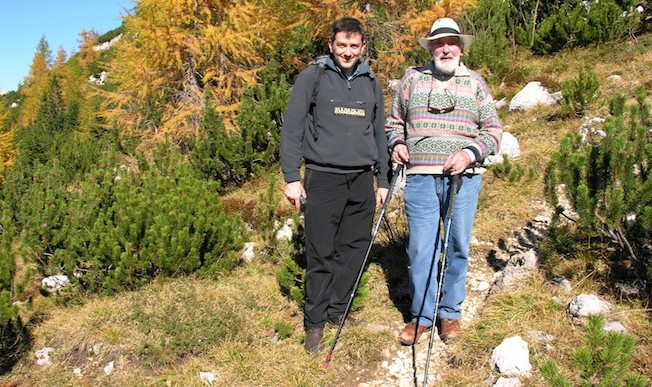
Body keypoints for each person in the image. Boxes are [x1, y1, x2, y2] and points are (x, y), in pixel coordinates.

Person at [385, 17, 502, 345]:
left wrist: (469, 152)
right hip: (421, 178)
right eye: (439, 43)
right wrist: (397, 144)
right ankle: (421, 316)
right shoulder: (412, 79)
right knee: (421, 248)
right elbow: (394, 123)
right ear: (432, 48)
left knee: (457, 245)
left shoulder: (476, 83)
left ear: (461, 48)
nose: (445, 48)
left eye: (452, 42)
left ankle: (449, 313)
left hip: (463, 178)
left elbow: (493, 131)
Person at [280, 16, 391, 354]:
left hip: (361, 180)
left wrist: (382, 179)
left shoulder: (371, 82)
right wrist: (291, 178)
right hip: (322, 178)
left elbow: (379, 133)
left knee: (354, 252)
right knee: (320, 254)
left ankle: (337, 314)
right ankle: (314, 325)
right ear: (331, 45)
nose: (347, 52)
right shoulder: (312, 77)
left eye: (354, 46)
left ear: (362, 47)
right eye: (341, 45)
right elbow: (292, 128)